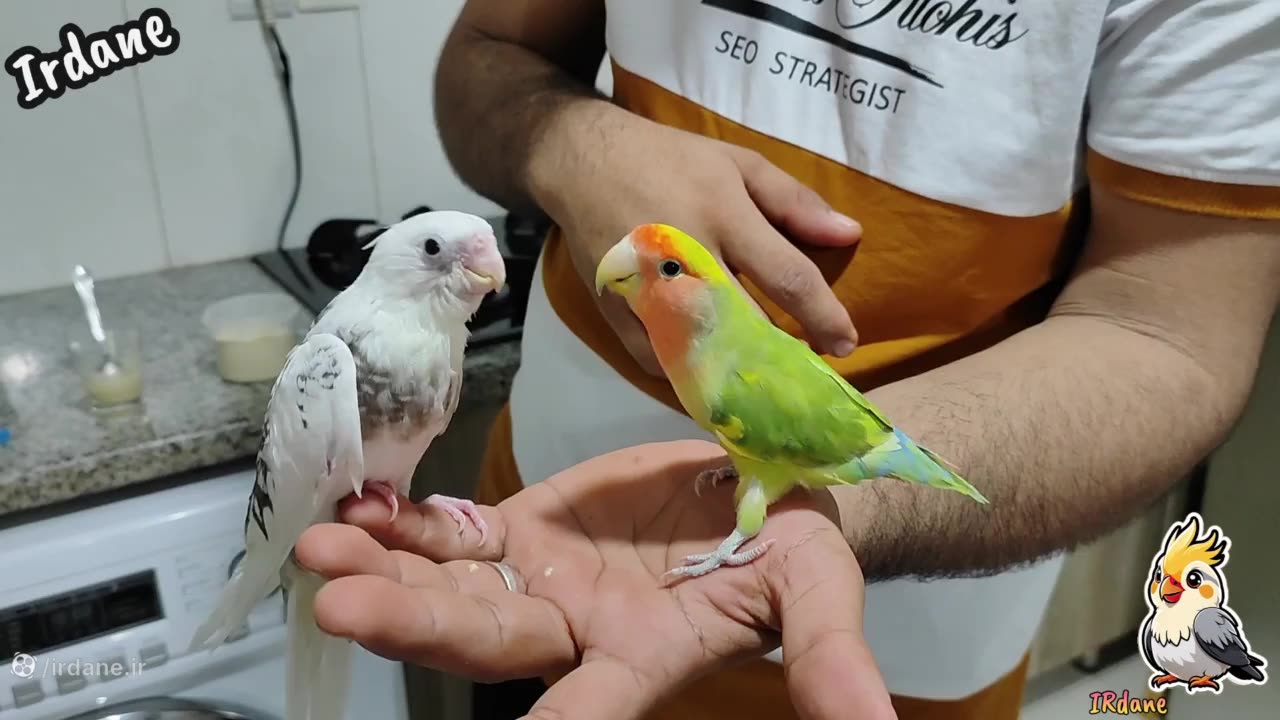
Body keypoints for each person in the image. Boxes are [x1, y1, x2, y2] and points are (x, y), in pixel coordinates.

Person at [297, 1, 1280, 718]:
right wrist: (575, 145)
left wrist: (831, 507)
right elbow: (485, 57)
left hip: (908, 637)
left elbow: (1169, 333)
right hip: (531, 550)